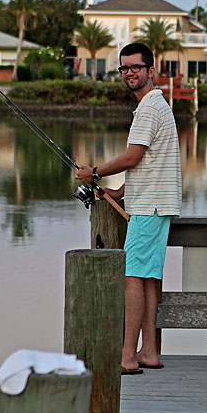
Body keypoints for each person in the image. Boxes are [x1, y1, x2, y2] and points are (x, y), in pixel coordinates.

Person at [76, 42, 181, 375]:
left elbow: (132, 157)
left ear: (151, 70)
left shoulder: (149, 108)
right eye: (124, 68)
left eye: (136, 67)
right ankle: (148, 351)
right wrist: (120, 191)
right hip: (155, 202)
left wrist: (93, 173)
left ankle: (126, 355)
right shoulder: (158, 105)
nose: (130, 73)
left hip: (150, 208)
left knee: (132, 277)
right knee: (149, 279)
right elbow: (150, 164)